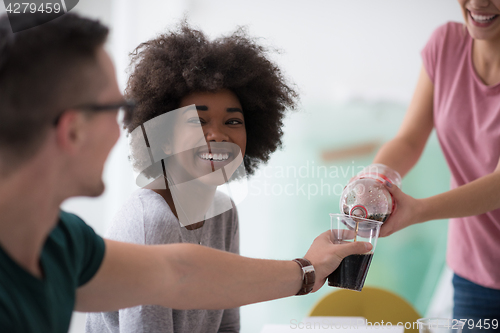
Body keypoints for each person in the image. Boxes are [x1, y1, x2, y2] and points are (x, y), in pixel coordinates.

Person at [0, 12, 371, 333]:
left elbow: (178, 274)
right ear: (73, 130)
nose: (123, 127)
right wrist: (306, 270)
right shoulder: (135, 221)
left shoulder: (63, 242)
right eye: (116, 107)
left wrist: (308, 269)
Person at [86, 24, 297, 333]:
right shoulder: (152, 221)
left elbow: (226, 325)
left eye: (233, 120)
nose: (218, 134)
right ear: (164, 138)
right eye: (197, 121)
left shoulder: (224, 211)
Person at [371, 0, 500, 329]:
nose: (478, 3)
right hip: (474, 273)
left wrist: (416, 211)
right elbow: (411, 139)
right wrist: (375, 177)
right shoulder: (446, 45)